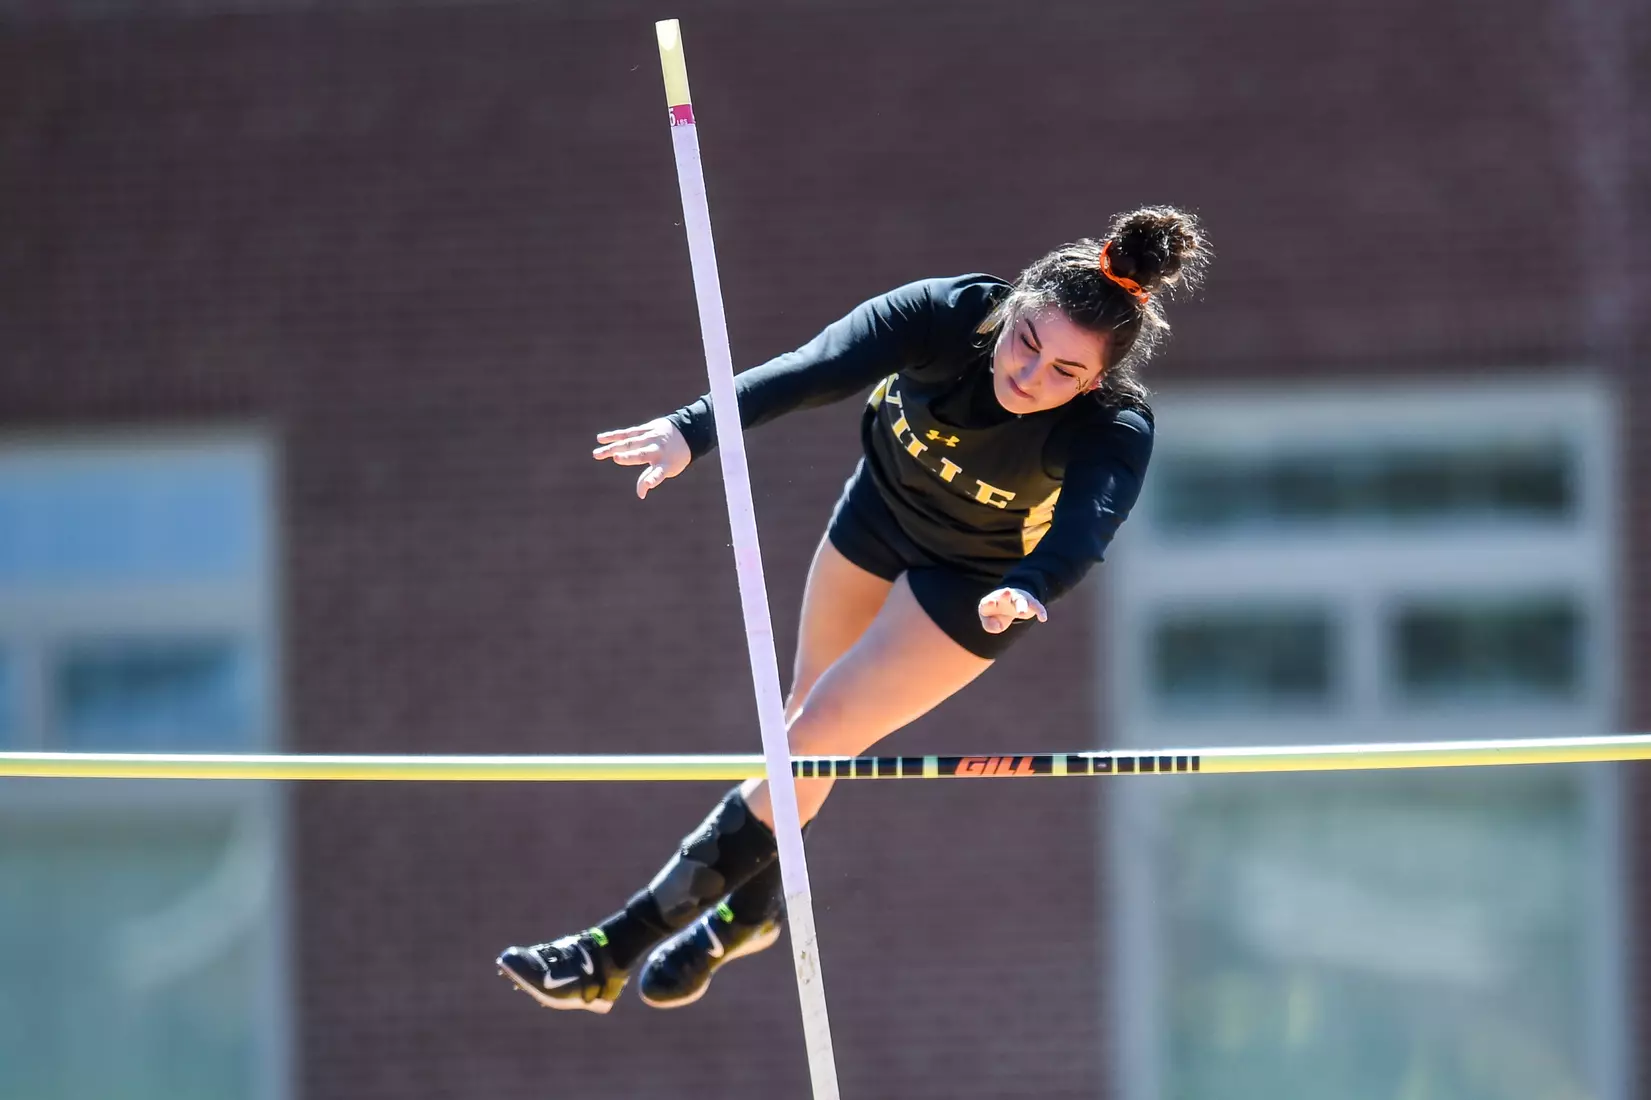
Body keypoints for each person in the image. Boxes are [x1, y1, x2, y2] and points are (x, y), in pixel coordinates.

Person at [497, 205, 1209, 1013]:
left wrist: (1033, 585)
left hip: (977, 585)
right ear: (1010, 308)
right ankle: (754, 913)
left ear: (1097, 382)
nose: (1029, 377)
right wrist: (690, 430)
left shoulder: (1114, 427)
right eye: (1025, 344)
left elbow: (1085, 530)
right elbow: (809, 370)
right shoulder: (942, 316)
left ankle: (606, 955)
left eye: (1063, 375)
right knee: (796, 730)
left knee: (816, 741)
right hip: (877, 513)